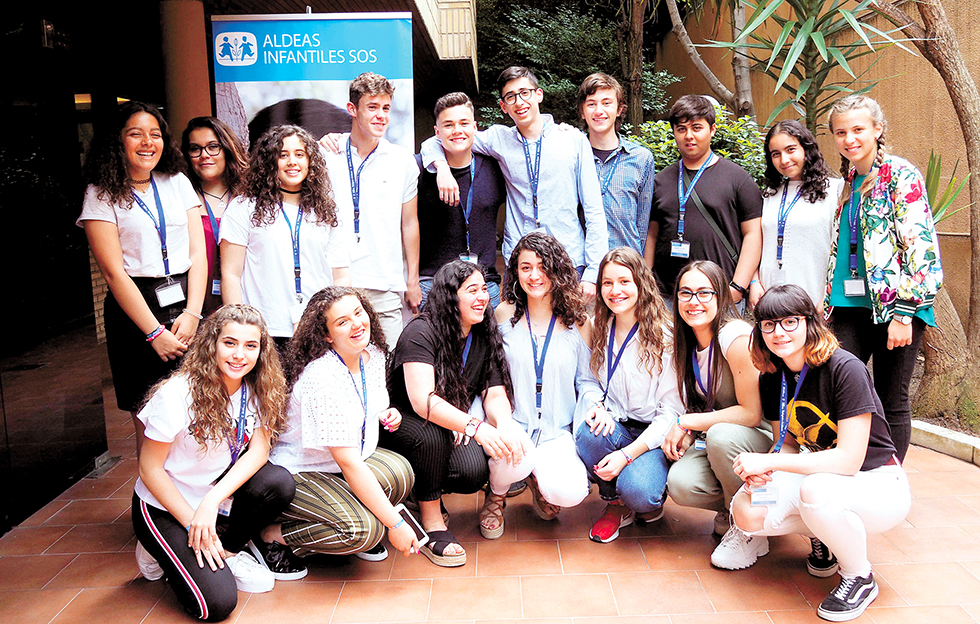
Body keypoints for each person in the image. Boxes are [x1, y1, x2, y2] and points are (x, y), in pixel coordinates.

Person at [730, 284, 910, 622]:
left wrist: (770, 461)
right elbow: (786, 442)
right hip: (821, 477)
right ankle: (825, 534)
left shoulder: (845, 368)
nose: (779, 332)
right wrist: (765, 472)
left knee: (815, 490)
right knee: (747, 511)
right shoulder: (773, 377)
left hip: (877, 481)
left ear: (810, 323)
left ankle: (859, 576)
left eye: (790, 322)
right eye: (769, 325)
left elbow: (848, 460)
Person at [131, 304, 296, 621]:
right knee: (216, 604)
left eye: (250, 345)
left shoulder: (259, 387)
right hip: (163, 504)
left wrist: (211, 501)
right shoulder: (177, 394)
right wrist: (193, 521)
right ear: (212, 344)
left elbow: (259, 452)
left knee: (278, 482)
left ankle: (229, 550)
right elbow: (149, 469)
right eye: (230, 343)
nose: (239, 355)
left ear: (262, 351)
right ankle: (159, 548)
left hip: (210, 496)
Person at [255, 287, 418, 567]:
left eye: (358, 313)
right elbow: (349, 463)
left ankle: (341, 520)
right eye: (342, 321)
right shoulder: (322, 378)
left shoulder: (372, 353)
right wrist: (395, 524)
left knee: (400, 473)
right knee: (364, 531)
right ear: (327, 335)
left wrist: (385, 413)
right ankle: (272, 535)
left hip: (340, 462)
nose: (357, 324)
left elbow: (364, 399)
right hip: (302, 469)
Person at [78, 101, 207, 455]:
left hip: (186, 302)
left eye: (155, 134)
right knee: (151, 419)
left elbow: (198, 254)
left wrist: (193, 313)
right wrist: (153, 332)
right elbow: (113, 272)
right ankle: (152, 488)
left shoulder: (177, 182)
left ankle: (198, 485)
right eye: (136, 134)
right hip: (135, 310)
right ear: (118, 140)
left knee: (199, 407)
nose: (148, 142)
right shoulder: (101, 193)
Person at [421, 66, 608, 301]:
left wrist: (593, 272)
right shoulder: (499, 139)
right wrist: (441, 167)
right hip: (520, 262)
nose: (519, 102)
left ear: (538, 94)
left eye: (525, 93)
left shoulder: (573, 140)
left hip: (567, 258)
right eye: (511, 97)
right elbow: (439, 139)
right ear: (503, 106)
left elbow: (594, 210)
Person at [825, 95, 943, 461]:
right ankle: (852, 465)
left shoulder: (901, 175)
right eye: (841, 132)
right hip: (848, 307)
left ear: (878, 130)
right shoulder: (848, 181)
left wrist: (905, 313)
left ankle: (889, 477)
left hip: (896, 308)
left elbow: (922, 250)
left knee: (891, 399)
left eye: (858, 129)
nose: (850, 139)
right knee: (841, 391)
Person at [385, 260, 523, 566]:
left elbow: (493, 391)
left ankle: (419, 488)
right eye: (471, 290)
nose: (482, 297)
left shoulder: (482, 331)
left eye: (484, 289)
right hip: (402, 423)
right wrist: (474, 426)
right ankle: (432, 521)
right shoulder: (421, 331)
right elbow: (422, 401)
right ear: (450, 295)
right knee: (432, 437)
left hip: (449, 422)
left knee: (472, 472)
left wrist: (504, 424)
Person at [481, 233, 593, 539]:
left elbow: (586, 380)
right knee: (516, 460)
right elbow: (491, 376)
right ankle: (496, 495)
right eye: (526, 267)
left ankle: (539, 481)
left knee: (571, 492)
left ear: (557, 270)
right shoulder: (503, 314)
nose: (534, 275)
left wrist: (592, 410)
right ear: (515, 272)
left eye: (543, 267)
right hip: (513, 422)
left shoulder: (578, 321)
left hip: (557, 428)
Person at [661, 260, 768, 566]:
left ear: (721, 295)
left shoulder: (735, 336)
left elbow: (751, 414)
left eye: (704, 292)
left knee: (720, 436)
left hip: (761, 437)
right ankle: (735, 507)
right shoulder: (687, 341)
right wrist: (690, 431)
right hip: (720, 437)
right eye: (685, 293)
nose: (693, 301)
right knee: (681, 483)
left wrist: (687, 422)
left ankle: (749, 527)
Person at [574, 248, 684, 543]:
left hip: (653, 435)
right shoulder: (599, 327)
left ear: (641, 284)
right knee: (588, 434)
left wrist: (627, 456)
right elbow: (588, 380)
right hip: (617, 425)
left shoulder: (665, 336)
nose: (615, 290)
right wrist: (596, 406)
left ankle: (643, 495)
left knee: (640, 492)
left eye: (624, 281)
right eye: (607, 283)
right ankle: (616, 504)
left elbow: (671, 412)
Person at [220, 124, 351, 351]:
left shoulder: (326, 211)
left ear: (310, 161)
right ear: (269, 161)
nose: (292, 162)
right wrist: (240, 329)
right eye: (283, 155)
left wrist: (336, 323)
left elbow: (340, 275)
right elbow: (231, 274)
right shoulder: (244, 207)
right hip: (263, 331)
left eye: (300, 154)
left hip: (318, 330)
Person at [321, 72, 421, 344]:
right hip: (335, 280)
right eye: (372, 107)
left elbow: (409, 222)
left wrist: (412, 280)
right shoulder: (326, 153)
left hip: (384, 282)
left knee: (391, 361)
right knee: (339, 362)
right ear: (352, 109)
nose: (381, 116)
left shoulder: (402, 161)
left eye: (386, 108)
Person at [647, 95, 762, 304]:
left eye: (697, 128)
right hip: (667, 297)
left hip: (721, 294)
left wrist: (737, 287)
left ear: (712, 129)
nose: (689, 136)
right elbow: (651, 235)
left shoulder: (737, 178)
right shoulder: (660, 181)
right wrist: (647, 286)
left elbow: (753, 234)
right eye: (681, 129)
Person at [416, 92, 506, 309]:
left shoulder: (496, 167)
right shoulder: (419, 169)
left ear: (475, 127)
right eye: (448, 125)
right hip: (433, 284)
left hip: (484, 285)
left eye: (464, 123)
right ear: (437, 132)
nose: (457, 130)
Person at [748, 120, 842, 309]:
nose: (784, 160)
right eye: (776, 154)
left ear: (807, 149)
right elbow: (754, 243)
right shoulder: (769, 194)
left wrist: (828, 298)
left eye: (790, 150)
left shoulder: (835, 190)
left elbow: (841, 249)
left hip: (815, 299)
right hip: (770, 299)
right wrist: (754, 281)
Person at [577, 73, 656, 254]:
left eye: (607, 103)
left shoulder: (642, 159)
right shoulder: (572, 157)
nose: (599, 111)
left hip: (625, 263)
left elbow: (642, 223)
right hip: (582, 264)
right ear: (582, 111)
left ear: (619, 109)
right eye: (591, 104)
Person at [181, 117, 249, 316]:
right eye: (195, 149)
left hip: (247, 303)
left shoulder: (249, 197)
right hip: (196, 306)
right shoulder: (182, 199)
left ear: (227, 149)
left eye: (213, 147)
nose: (204, 155)